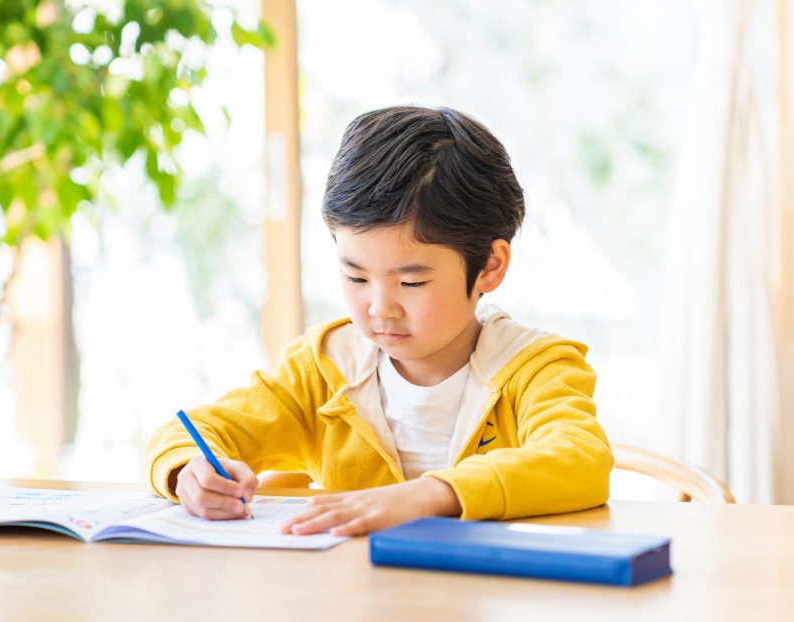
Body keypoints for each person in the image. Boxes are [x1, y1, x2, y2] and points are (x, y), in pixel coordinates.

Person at [145, 105, 613, 537]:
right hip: (355, 605)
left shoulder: (535, 368)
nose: (379, 307)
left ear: (490, 266)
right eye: (355, 276)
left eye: (411, 283)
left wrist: (434, 494)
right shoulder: (323, 369)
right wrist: (188, 471)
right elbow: (190, 432)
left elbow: (579, 459)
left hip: (489, 606)